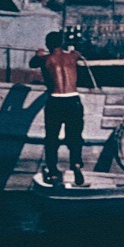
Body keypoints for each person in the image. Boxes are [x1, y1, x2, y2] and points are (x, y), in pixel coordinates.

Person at [34, 31, 86, 186]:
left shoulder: (46, 59)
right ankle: (76, 165)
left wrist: (39, 54)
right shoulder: (72, 56)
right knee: (75, 136)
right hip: (73, 99)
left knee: (52, 138)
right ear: (62, 43)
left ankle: (53, 171)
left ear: (48, 44)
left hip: (55, 100)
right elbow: (80, 55)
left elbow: (32, 63)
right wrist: (73, 52)